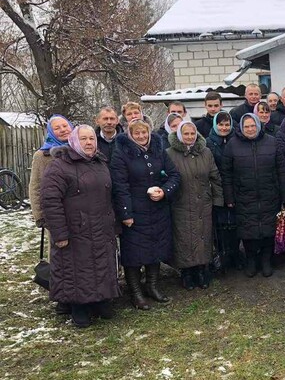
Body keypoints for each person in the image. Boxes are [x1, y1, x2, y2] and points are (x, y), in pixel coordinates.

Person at [40, 125, 120, 328]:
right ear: (74, 141)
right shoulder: (59, 166)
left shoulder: (100, 162)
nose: (88, 142)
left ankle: (101, 301)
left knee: (101, 265)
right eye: (83, 139)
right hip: (75, 229)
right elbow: (50, 201)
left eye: (91, 138)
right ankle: (79, 307)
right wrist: (59, 233)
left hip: (101, 226)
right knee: (76, 268)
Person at [111, 118, 181, 310]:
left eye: (144, 133)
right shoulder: (121, 154)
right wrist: (126, 213)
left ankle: (152, 285)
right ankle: (136, 292)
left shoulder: (158, 150)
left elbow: (174, 175)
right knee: (133, 253)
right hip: (135, 210)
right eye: (137, 133)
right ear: (130, 135)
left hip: (158, 208)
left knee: (155, 248)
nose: (142, 136)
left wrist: (165, 191)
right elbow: (120, 186)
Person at [221, 114, 285, 278]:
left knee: (268, 229)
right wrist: (229, 197)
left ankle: (266, 259)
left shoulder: (271, 142)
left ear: (258, 126)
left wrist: (284, 194)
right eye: (247, 126)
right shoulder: (232, 145)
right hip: (244, 195)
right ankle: (251, 260)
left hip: (269, 194)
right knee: (248, 231)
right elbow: (226, 173)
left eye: (253, 126)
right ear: (241, 128)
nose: (250, 129)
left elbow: (281, 170)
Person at [166, 121, 223, 290]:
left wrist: (217, 200)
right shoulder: (169, 154)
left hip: (203, 203)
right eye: (186, 134)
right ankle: (187, 272)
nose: (190, 137)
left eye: (193, 134)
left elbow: (215, 177)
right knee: (184, 239)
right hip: (181, 203)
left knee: (203, 237)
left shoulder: (205, 152)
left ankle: (202, 270)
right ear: (179, 135)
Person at [205, 111, 242, 271]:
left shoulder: (237, 140)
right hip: (217, 187)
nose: (224, 127)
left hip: (236, 185)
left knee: (235, 223)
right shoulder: (208, 142)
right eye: (221, 124)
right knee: (220, 224)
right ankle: (222, 254)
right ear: (215, 125)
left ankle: (235, 254)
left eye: (227, 124)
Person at [30, 115, 74, 229]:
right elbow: (36, 186)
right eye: (57, 128)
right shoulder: (42, 155)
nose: (63, 129)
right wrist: (40, 216)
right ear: (51, 132)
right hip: (55, 213)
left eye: (65, 126)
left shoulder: (80, 150)